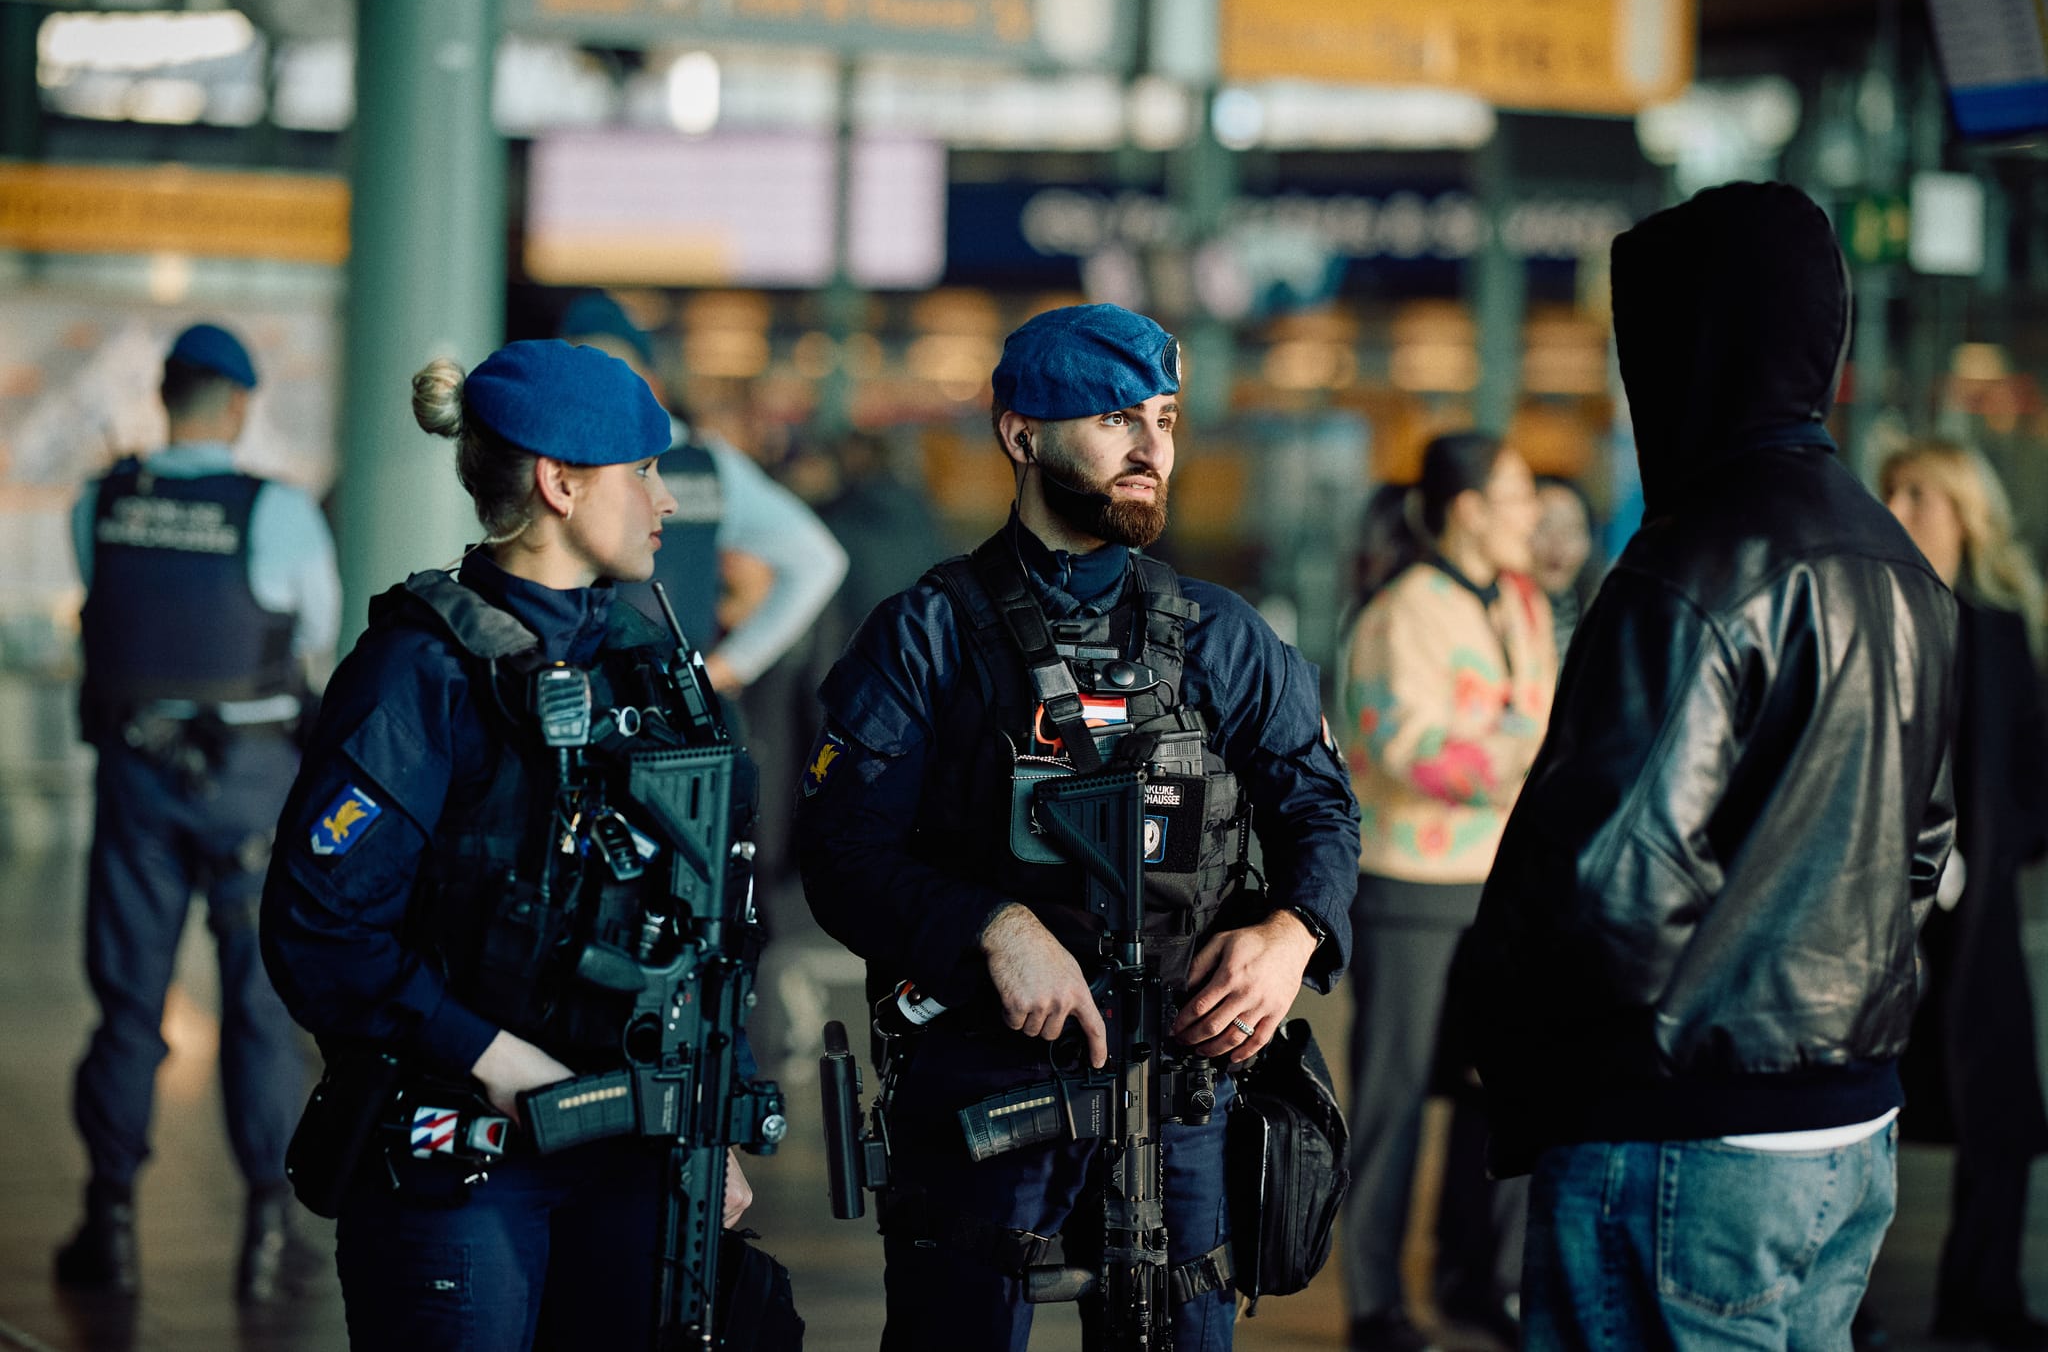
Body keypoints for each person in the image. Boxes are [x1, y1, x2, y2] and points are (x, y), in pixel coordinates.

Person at [794, 303, 1360, 1351]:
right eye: (1113, 421)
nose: (1152, 449)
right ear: (1021, 435)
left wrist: (1293, 935)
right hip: (982, 1090)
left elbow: (1319, 807)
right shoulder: (925, 637)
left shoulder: (1221, 638)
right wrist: (991, 928)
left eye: (1165, 417)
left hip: (1183, 1090)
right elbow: (837, 852)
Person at [1451, 181, 1958, 1351]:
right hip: (1846, 1125)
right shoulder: (1898, 564)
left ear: (1694, 346)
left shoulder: (1687, 566)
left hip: (1678, 1127)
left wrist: (1506, 1045)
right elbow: (1919, 845)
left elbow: (1605, 884)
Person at [259, 340, 758, 1350]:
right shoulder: (420, 671)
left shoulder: (649, 666)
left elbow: (710, 917)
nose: (667, 501)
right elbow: (318, 927)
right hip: (463, 1159)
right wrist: (493, 1057)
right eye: (645, 471)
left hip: (636, 1150)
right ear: (560, 481)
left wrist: (711, 1124)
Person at [57, 321, 340, 1304]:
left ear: (165, 396)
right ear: (238, 405)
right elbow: (315, 628)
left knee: (128, 1002)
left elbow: (104, 609)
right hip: (250, 782)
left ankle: (111, 1223)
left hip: (138, 776)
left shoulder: (104, 501)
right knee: (258, 1006)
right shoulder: (278, 512)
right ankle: (268, 1230)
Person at [1337, 433, 1554, 1352]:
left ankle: (1482, 1278)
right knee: (1391, 1103)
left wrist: (1520, 754)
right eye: (1516, 497)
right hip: (1412, 882)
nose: (1532, 515)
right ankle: (1375, 1300)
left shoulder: (1524, 602)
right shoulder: (1402, 611)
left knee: (1502, 1092)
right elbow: (1403, 748)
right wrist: (1525, 761)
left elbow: (1544, 719)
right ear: (1467, 510)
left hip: (1504, 879)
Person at [1882, 441, 2048, 1350]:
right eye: (1895, 491)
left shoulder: (2000, 627)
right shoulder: (1870, 612)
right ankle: (1839, 1304)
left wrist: (1993, 851)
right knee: (1860, 1107)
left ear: (1965, 512)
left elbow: (2029, 763)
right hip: (1875, 911)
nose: (1903, 507)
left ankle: (1981, 1295)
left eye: (1924, 494)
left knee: (2002, 1116)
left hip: (1973, 919)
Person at [555, 291, 847, 694]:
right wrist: (728, 668)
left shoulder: (553, 461)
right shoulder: (705, 461)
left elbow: (819, 560)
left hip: (587, 698)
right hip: (675, 708)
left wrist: (730, 666)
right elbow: (818, 558)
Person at [1528, 475, 1601, 662]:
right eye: (1543, 526)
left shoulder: (1600, 618)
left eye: (1572, 529)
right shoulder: (1499, 618)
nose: (1558, 545)